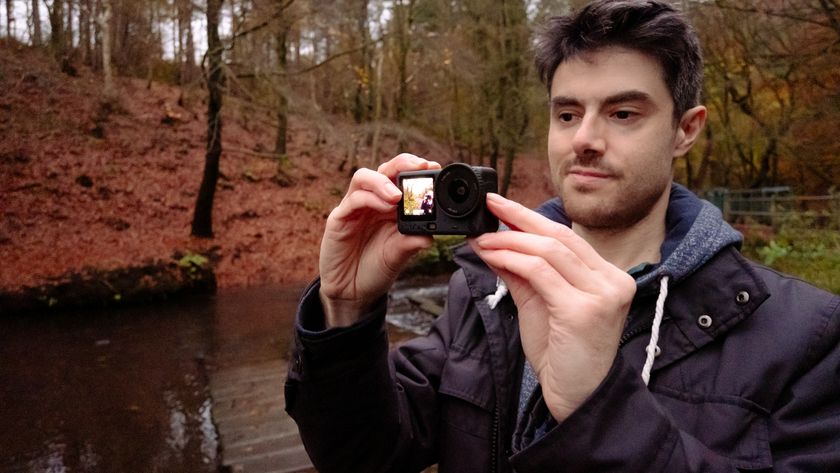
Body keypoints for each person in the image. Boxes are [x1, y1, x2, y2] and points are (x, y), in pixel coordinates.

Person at [285, 1, 840, 472]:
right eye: (568, 114)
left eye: (623, 113)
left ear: (685, 130)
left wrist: (598, 407)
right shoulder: (485, 291)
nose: (586, 140)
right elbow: (362, 454)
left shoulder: (805, 340)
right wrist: (345, 313)